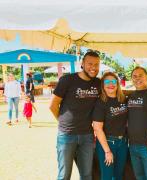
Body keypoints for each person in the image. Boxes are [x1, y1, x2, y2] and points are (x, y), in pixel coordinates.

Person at [49, 51, 101, 180]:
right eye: (90, 64)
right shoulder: (67, 80)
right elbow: (53, 105)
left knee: (87, 175)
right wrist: (62, 122)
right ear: (82, 64)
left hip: (87, 136)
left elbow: (114, 90)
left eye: (96, 64)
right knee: (64, 175)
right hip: (67, 135)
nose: (93, 67)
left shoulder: (98, 83)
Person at [92, 72, 128, 180]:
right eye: (107, 82)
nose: (111, 84)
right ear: (103, 85)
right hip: (107, 143)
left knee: (118, 175)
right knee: (107, 176)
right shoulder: (101, 102)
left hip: (123, 143)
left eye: (113, 81)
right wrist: (107, 151)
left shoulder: (123, 99)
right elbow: (97, 129)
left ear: (117, 84)